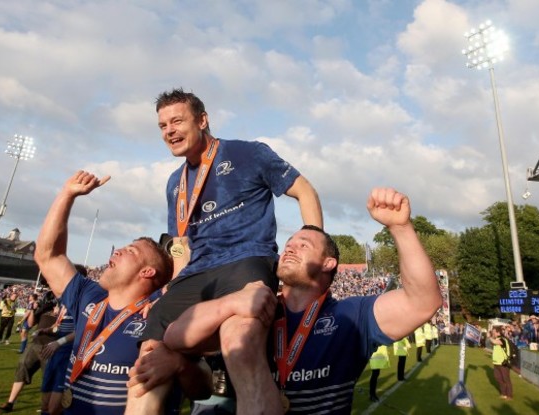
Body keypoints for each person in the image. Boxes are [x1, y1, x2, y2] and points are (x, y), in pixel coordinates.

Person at [162, 187, 443, 413]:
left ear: (328, 263)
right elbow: (175, 337)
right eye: (289, 245)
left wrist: (401, 228)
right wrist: (232, 303)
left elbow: (423, 303)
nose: (290, 249)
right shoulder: (252, 310)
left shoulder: (352, 315)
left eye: (303, 245)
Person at [134, 88, 323, 415]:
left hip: (246, 260)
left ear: (203, 120)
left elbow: (304, 190)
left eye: (177, 121)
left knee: (241, 340)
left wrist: (316, 253)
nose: (169, 131)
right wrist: (172, 287)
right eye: (163, 126)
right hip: (196, 273)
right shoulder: (174, 184)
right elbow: (181, 245)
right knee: (148, 360)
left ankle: (253, 392)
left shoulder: (249, 154)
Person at [34, 170, 210, 415]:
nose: (117, 251)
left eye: (131, 250)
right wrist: (67, 194)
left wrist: (179, 365)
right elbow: (48, 256)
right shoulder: (89, 298)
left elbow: (204, 388)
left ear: (147, 272)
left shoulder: (164, 311)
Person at [0, 292, 73, 414]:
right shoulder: (43, 308)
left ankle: (45, 407)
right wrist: (31, 310)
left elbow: (66, 328)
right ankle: (10, 402)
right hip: (36, 343)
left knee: (48, 377)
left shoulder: (68, 308)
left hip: (52, 346)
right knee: (22, 368)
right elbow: (30, 324)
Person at [488, 326, 513, 400]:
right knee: (498, 378)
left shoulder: (503, 339)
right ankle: (503, 393)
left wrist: (489, 337)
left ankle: (509, 395)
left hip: (503, 363)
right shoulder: (497, 339)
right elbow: (494, 344)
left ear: (498, 332)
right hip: (497, 362)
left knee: (506, 379)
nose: (493, 333)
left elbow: (494, 342)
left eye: (494, 331)